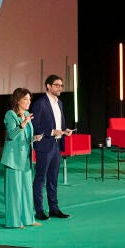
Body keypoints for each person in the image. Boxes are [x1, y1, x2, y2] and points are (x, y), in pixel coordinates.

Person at [31, 73, 73, 219]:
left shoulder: (59, 102)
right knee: (40, 178)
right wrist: (51, 132)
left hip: (56, 145)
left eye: (61, 85)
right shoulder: (40, 103)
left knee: (53, 179)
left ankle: (54, 208)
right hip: (44, 146)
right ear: (48, 86)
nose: (60, 88)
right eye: (57, 85)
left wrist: (65, 130)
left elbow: (59, 123)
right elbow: (34, 125)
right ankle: (39, 210)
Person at [1, 87, 43, 228]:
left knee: (26, 190)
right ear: (17, 100)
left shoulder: (26, 114)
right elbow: (11, 135)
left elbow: (26, 136)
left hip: (26, 158)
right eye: (25, 99)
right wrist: (23, 123)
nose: (28, 102)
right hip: (13, 159)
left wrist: (34, 138)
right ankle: (14, 222)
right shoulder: (10, 114)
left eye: (30, 99)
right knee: (14, 191)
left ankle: (28, 219)